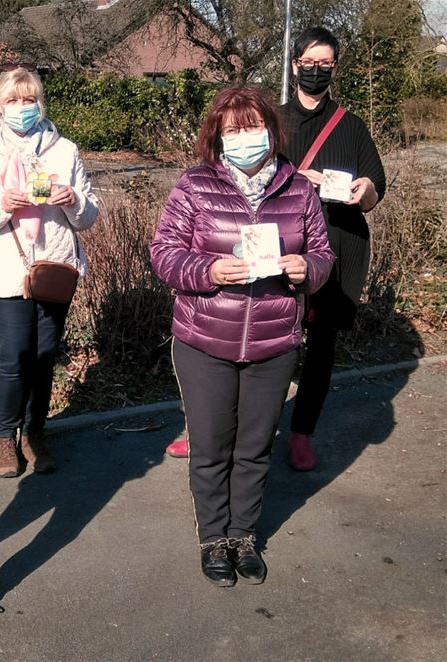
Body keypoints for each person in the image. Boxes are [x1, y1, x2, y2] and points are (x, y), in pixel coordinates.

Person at [150, 87, 335, 587]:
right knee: (211, 446)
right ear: (217, 137)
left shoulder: (298, 190)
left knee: (255, 447)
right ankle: (213, 539)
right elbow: (164, 254)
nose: (244, 137)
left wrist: (308, 268)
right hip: (204, 337)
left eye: (253, 127)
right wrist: (210, 269)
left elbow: (323, 254)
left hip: (273, 342)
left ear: (271, 132)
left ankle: (243, 535)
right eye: (233, 129)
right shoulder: (193, 186)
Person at [0, 65, 99, 478]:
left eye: (30, 99)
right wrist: (4, 206)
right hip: (5, 270)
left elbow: (88, 217)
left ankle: (35, 432)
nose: (22, 107)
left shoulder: (65, 151)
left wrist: (73, 199)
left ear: (41, 103)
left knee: (43, 355)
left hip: (54, 266)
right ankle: (5, 435)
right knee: (14, 354)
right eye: (13, 100)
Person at [279, 27, 386, 472]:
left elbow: (376, 187)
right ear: (294, 65)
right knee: (270, 340)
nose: (316, 70)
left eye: (325, 63)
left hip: (337, 245)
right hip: (282, 245)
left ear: (334, 68)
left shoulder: (351, 125)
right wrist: (298, 180)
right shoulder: (273, 120)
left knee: (321, 346)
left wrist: (364, 191)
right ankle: (237, 428)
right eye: (309, 62)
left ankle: (302, 433)